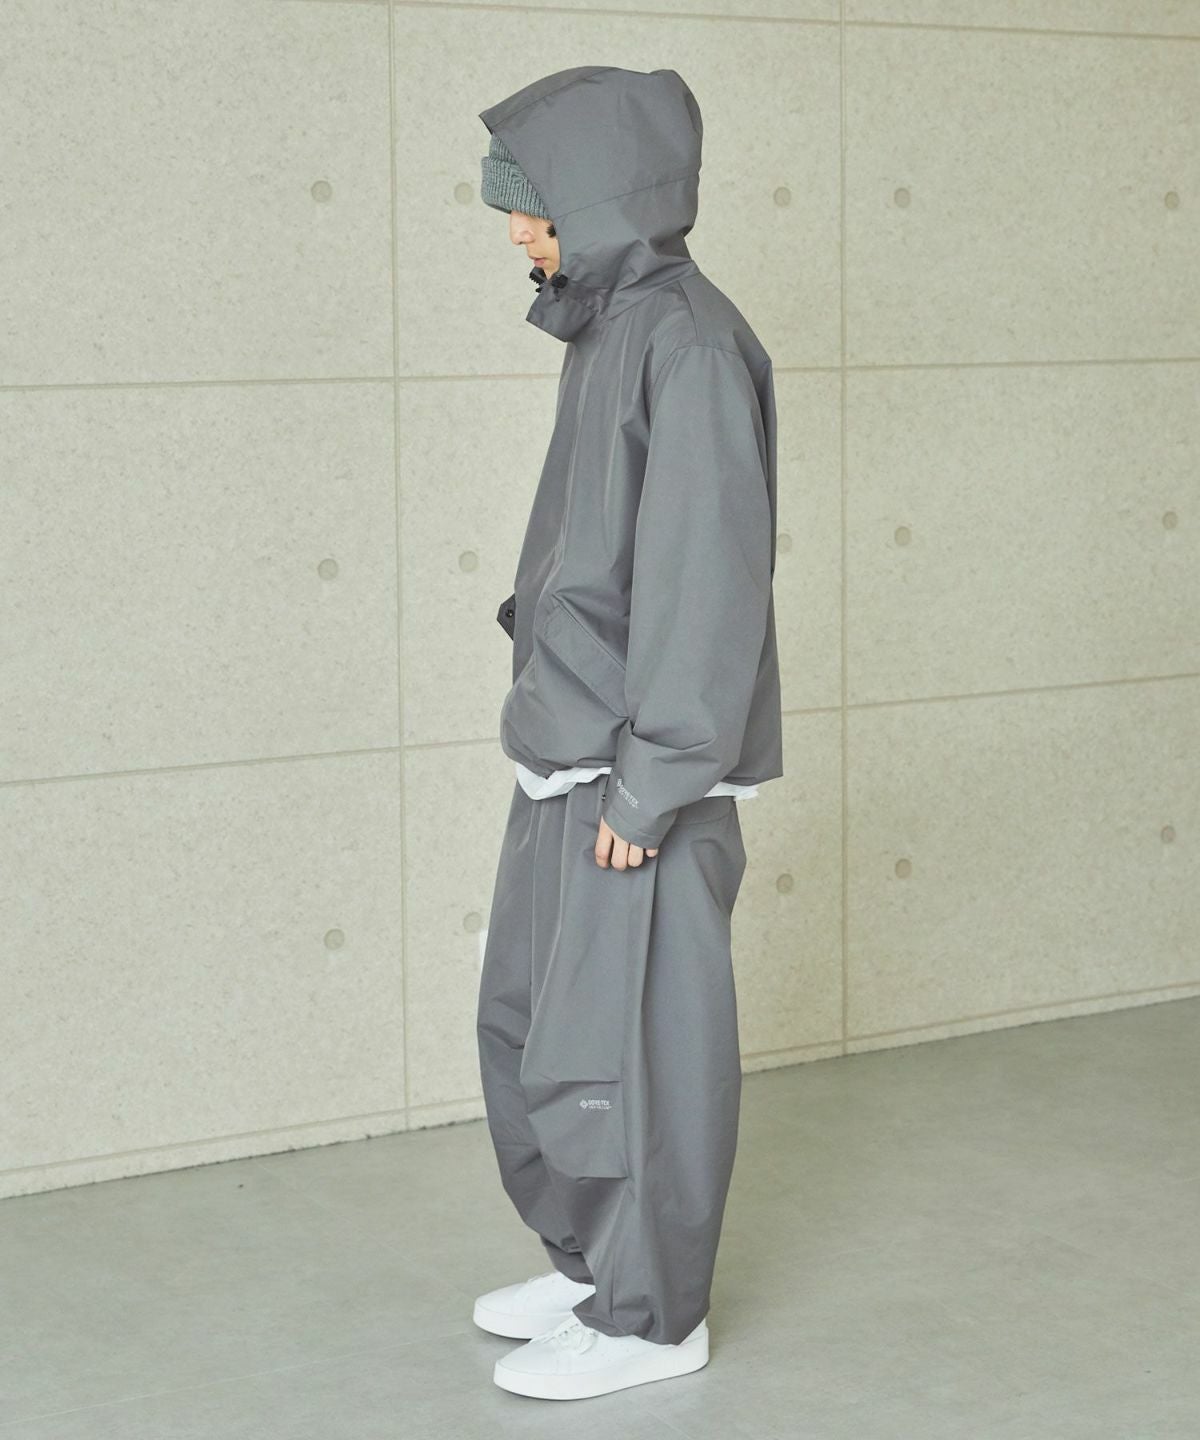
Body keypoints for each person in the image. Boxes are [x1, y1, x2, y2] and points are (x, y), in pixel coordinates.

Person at [472, 65, 784, 1401]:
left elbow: (708, 583)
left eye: (533, 203)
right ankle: (592, 1261)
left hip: (636, 773)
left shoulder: (690, 345)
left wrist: (653, 785)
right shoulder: (609, 329)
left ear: (604, 199)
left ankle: (653, 1317)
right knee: (532, 1029)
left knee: (636, 1056)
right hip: (569, 743)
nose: (515, 228)